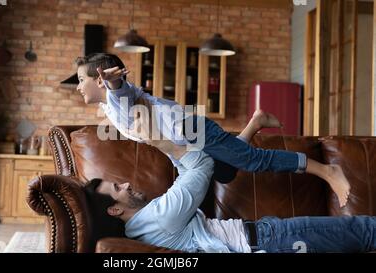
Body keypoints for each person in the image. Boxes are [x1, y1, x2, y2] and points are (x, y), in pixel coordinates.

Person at [75, 53, 350, 207]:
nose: (77, 86)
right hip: (180, 143)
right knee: (226, 172)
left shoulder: (116, 97)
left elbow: (120, 93)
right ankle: (255, 122)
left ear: (100, 78)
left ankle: (327, 171)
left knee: (254, 160)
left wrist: (113, 84)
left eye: (80, 80)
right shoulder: (110, 109)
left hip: (191, 130)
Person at [89, 140, 376, 253]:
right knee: (362, 231)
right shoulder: (159, 217)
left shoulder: (142, 229)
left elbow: (188, 177)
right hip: (269, 240)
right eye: (117, 189)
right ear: (114, 211)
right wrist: (160, 139)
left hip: (262, 238)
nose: (126, 184)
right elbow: (201, 164)